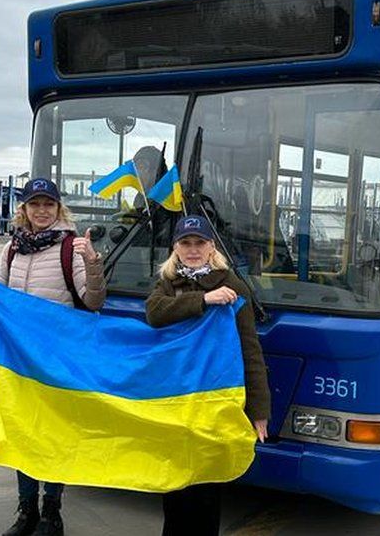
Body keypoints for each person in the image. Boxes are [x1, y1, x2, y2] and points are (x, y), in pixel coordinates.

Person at [0, 177, 106, 536]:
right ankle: (25, 509)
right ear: (23, 209)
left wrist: (92, 264)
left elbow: (93, 301)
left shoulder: (70, 247)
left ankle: (51, 511)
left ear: (59, 208)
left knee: (53, 433)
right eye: (34, 204)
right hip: (19, 359)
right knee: (23, 432)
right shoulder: (12, 248)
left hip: (56, 358)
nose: (41, 211)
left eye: (48, 204)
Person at [145, 215, 270, 536]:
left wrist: (259, 411)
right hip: (175, 399)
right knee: (174, 488)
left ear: (211, 246)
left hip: (212, 400)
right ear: (175, 248)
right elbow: (154, 313)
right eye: (185, 243)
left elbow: (250, 350)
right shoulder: (167, 283)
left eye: (199, 243)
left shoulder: (232, 284)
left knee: (206, 491)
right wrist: (202, 300)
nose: (192, 249)